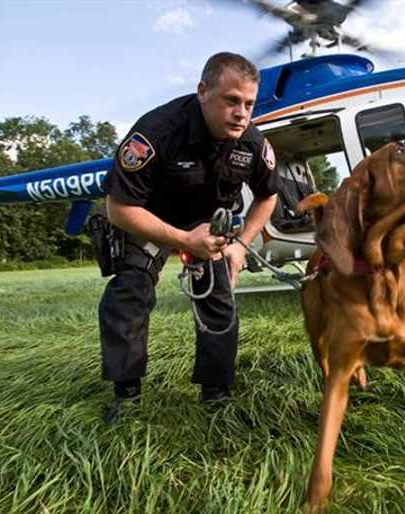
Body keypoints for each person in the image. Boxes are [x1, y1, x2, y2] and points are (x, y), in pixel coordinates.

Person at [98, 52, 279, 421]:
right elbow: (118, 209)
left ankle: (216, 394)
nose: (241, 113)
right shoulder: (157, 131)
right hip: (147, 216)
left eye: (248, 104)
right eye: (231, 100)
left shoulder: (252, 142)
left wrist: (242, 244)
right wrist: (182, 240)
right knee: (129, 292)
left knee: (218, 298)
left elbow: (269, 194)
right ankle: (126, 395)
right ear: (202, 91)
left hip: (206, 222)